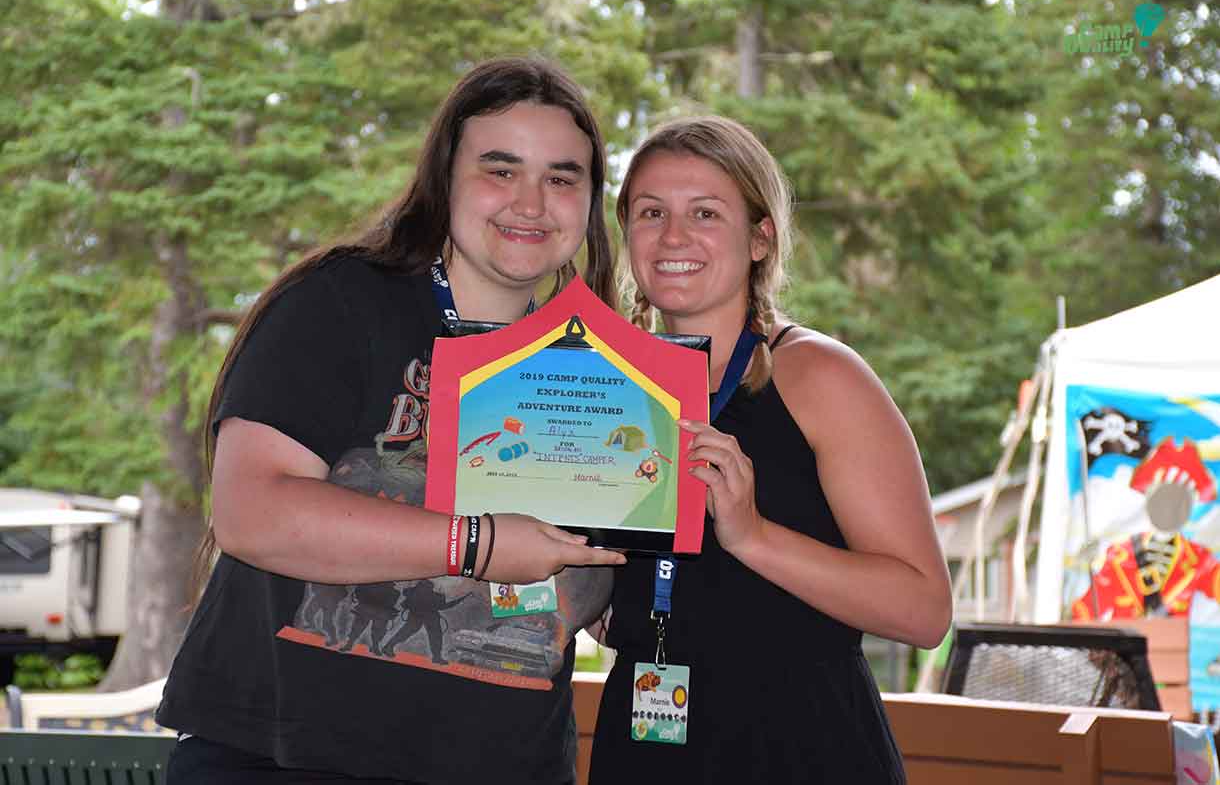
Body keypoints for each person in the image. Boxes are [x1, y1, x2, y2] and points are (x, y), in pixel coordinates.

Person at [156, 57, 627, 785]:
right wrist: (475, 543)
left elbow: (594, 594)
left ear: (589, 202)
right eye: (500, 170)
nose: (531, 202)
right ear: (444, 177)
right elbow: (250, 512)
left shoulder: (601, 372)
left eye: (562, 178)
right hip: (287, 761)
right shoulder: (339, 301)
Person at [587, 116, 953, 783]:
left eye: (705, 213)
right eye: (651, 212)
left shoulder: (819, 375)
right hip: (647, 737)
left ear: (760, 238)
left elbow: (924, 610)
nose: (673, 236)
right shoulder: (607, 385)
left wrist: (753, 536)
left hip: (801, 743)